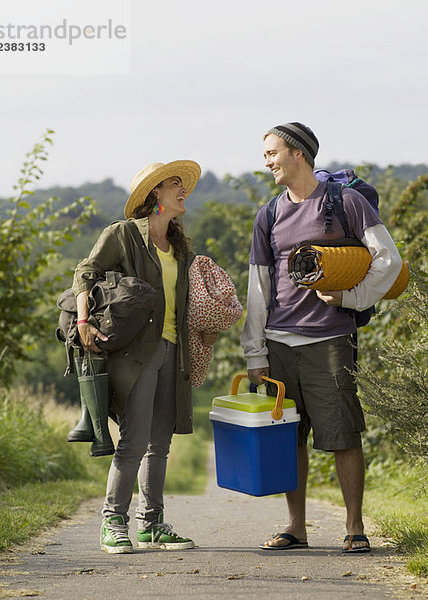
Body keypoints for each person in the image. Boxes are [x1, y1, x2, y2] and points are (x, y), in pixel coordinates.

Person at [241, 122, 402, 554]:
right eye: (265, 155)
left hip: (330, 340)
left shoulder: (345, 202)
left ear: (298, 154)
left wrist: (353, 297)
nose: (267, 162)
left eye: (272, 153)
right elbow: (258, 287)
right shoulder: (269, 213)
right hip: (278, 342)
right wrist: (255, 351)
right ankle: (296, 527)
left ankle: (354, 527)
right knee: (290, 438)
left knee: (344, 435)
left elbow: (388, 259)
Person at [72, 160, 216, 554]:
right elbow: (85, 273)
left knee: (160, 443)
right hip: (136, 353)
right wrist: (84, 320)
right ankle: (112, 522)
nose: (182, 189)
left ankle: (151, 525)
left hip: (174, 351)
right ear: (155, 193)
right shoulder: (123, 235)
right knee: (133, 440)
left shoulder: (181, 247)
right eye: (175, 184)